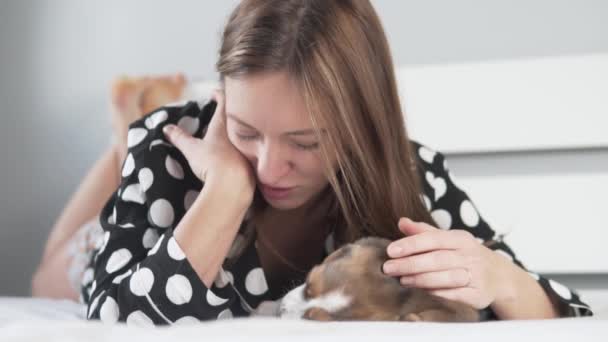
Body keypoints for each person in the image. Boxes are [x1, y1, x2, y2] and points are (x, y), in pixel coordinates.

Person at [45, 0, 595, 324]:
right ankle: (118, 146)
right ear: (222, 100)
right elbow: (114, 320)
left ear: (361, 128)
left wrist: (501, 279)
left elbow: (575, 320)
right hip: (124, 233)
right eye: (246, 131)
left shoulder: (409, 175)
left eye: (306, 143)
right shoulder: (171, 148)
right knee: (51, 273)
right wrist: (225, 191)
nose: (268, 168)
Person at [31, 74, 187, 301]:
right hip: (143, 230)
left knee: (42, 282)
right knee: (45, 279)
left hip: (135, 237)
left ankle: (131, 135)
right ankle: (131, 135)